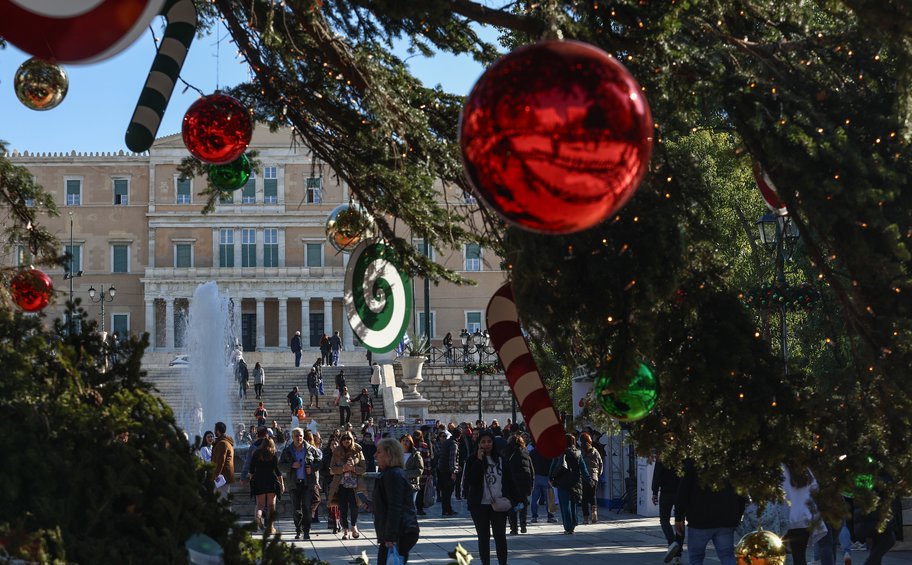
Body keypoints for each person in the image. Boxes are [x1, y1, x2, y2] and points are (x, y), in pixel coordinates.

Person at [674, 459, 746, 565]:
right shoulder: (731, 458)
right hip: (726, 518)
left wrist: (679, 517)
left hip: (699, 518)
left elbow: (683, 489)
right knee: (727, 555)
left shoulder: (694, 460)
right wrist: (737, 514)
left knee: (696, 557)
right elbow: (740, 490)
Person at [465, 429, 518, 565]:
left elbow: (510, 480)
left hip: (499, 503)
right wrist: (478, 460)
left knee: (500, 536)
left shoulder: (501, 459)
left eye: (489, 442)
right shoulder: (472, 459)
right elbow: (471, 480)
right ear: (478, 444)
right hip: (480, 505)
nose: (486, 444)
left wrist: (517, 499)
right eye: (483, 442)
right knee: (483, 537)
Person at [373, 438, 421, 565]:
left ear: (389, 454)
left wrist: (390, 537)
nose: (375, 455)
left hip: (400, 533)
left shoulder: (393, 475)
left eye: (379, 452)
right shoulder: (391, 473)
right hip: (398, 532)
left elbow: (395, 507)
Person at [279, 427, 323, 540]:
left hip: (307, 484)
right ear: (292, 437)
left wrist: (312, 468)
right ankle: (298, 530)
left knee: (307, 508)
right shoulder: (287, 450)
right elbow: (280, 465)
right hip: (294, 484)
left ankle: (307, 531)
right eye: (296, 436)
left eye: (301, 436)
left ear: (303, 437)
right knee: (296, 509)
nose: (299, 438)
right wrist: (291, 466)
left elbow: (320, 463)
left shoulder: (311, 449)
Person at [329, 431, 367, 539]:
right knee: (343, 507)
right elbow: (332, 467)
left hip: (355, 485)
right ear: (341, 441)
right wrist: (342, 469)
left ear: (352, 440)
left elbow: (363, 468)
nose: (346, 441)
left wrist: (353, 468)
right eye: (344, 439)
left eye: (348, 439)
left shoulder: (358, 451)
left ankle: (354, 526)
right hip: (341, 484)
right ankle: (345, 529)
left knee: (355, 506)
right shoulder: (336, 452)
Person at [550, 433, 589, 535]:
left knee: (564, 505)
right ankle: (574, 523)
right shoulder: (578, 453)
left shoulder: (560, 452)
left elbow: (554, 465)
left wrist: (550, 477)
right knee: (573, 504)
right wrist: (588, 479)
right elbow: (583, 468)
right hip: (575, 481)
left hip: (562, 481)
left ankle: (568, 527)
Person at [248, 437, 284, 533]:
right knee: (272, 505)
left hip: (259, 480)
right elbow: (277, 471)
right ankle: (270, 527)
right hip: (271, 480)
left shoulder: (256, 453)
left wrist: (252, 481)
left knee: (260, 505)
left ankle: (258, 517)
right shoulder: (273, 454)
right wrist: (282, 484)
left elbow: (251, 470)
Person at [652, 457, 683, 563]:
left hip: (666, 491)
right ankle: (678, 554)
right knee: (680, 520)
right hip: (680, 491)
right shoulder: (683, 452)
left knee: (664, 519)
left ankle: (672, 542)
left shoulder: (663, 454)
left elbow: (657, 473)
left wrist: (655, 492)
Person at [506, 433, 534, 535]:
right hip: (524, 483)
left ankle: (514, 528)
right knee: (523, 504)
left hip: (512, 483)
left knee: (512, 506)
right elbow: (531, 468)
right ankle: (523, 525)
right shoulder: (525, 452)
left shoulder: (508, 452)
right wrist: (531, 483)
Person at [529, 440, 557, 524]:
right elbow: (552, 465)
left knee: (534, 498)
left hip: (536, 476)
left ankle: (534, 516)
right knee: (549, 498)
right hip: (546, 476)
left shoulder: (532, 452)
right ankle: (550, 516)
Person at [579, 432, 603, 525]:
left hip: (583, 477)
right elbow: (600, 463)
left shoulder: (580, 451)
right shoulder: (595, 451)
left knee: (584, 498)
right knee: (593, 497)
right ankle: (594, 517)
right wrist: (598, 474)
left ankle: (585, 518)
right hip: (594, 477)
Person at [437, 427, 461, 516]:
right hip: (448, 471)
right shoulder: (453, 444)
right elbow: (452, 459)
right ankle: (447, 509)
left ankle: (446, 509)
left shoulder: (446, 442)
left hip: (442, 469)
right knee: (448, 491)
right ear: (459, 436)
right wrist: (453, 472)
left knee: (445, 491)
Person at [211, 421, 235, 499]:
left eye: (215, 429)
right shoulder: (226, 442)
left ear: (217, 430)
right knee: (222, 499)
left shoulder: (222, 443)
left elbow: (220, 461)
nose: (214, 431)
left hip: (222, 477)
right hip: (225, 476)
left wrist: (216, 475)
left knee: (221, 499)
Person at [401, 434, 425, 507]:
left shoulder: (416, 455)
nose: (405, 442)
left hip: (411, 484)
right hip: (399, 484)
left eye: (407, 441)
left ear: (411, 442)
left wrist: (405, 473)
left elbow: (419, 470)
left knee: (410, 506)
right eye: (403, 440)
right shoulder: (396, 454)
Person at [413, 429, 432, 515]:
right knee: (421, 490)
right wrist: (429, 472)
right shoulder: (424, 446)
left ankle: (413, 507)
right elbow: (427, 460)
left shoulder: (411, 446)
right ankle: (419, 508)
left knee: (413, 489)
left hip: (412, 471)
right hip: (422, 471)